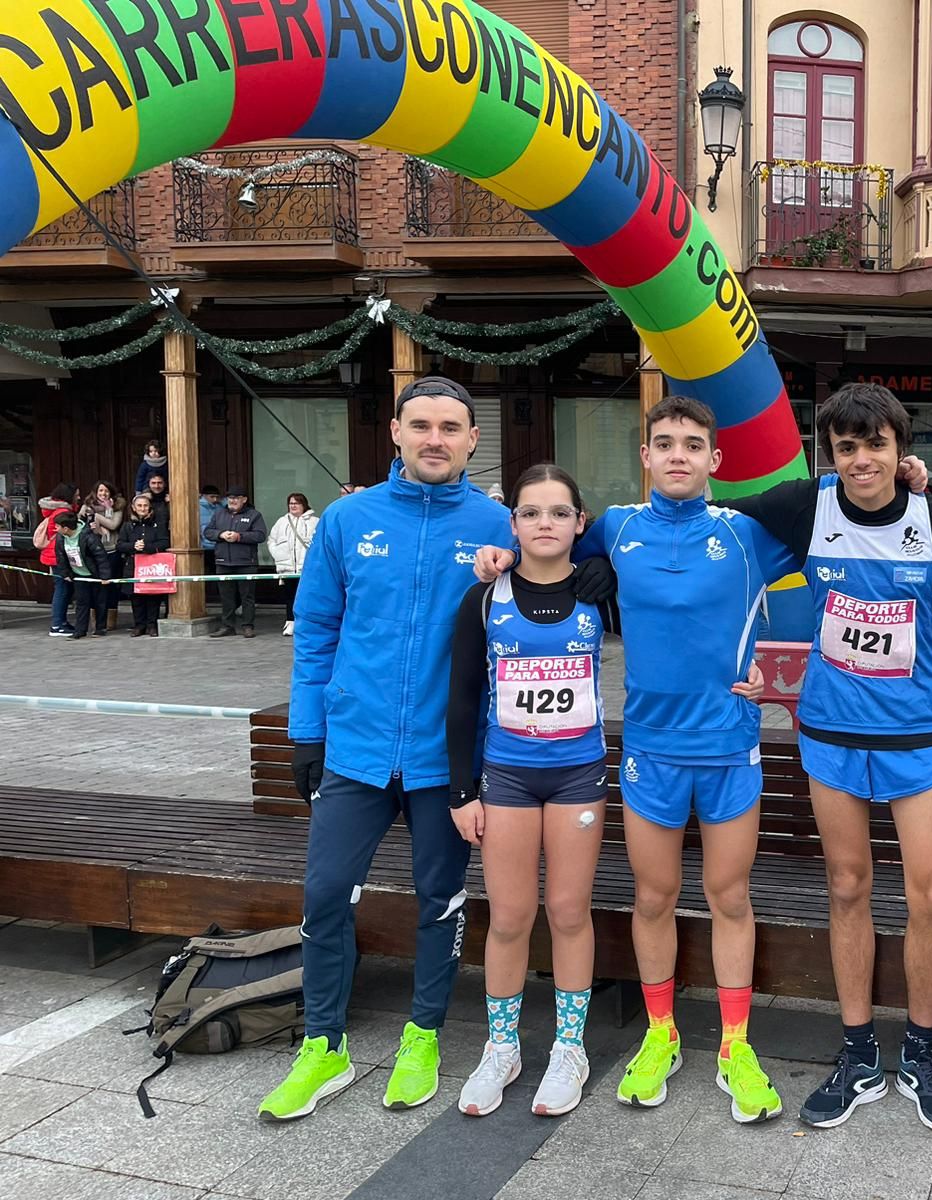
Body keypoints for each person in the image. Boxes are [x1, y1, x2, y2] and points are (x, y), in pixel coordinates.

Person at [475, 397, 831, 1124]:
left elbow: (845, 501)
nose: (677, 454)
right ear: (645, 457)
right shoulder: (615, 527)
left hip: (729, 747)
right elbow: (548, 545)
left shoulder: (746, 534)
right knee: (652, 897)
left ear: (713, 461)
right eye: (663, 442)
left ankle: (735, 1043)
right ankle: (661, 1032)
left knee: (730, 896)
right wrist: (501, 555)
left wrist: (914, 479)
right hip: (648, 751)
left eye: (692, 444)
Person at [260, 375, 547, 1122]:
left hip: (443, 762)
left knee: (439, 899)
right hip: (353, 752)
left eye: (451, 428)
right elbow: (317, 629)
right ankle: (325, 1045)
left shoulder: (496, 527)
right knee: (324, 897)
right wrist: (306, 732)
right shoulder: (350, 520)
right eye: (420, 425)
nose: (435, 440)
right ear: (395, 431)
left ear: (472, 439)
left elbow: (536, 620)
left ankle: (423, 1035)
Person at [717, 382, 932, 1134]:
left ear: (902, 451)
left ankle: (922, 1052)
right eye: (846, 447)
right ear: (827, 454)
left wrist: (926, 617)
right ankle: (860, 1051)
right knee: (847, 887)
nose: (862, 460)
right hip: (830, 731)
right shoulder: (807, 506)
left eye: (875, 445)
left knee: (929, 895)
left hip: (917, 733)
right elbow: (711, 525)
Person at [446, 464, 648, 1120]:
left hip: (576, 776)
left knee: (567, 911)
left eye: (559, 513)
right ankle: (501, 1048)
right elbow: (462, 698)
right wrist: (460, 790)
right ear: (513, 524)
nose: (544, 524)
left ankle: (569, 1047)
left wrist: (609, 570)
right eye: (531, 513)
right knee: (507, 915)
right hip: (505, 776)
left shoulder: (600, 592)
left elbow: (670, 615)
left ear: (579, 523)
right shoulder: (483, 596)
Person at [206, 487, 267, 638]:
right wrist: (220, 534)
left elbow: (260, 535)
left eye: (236, 498)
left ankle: (248, 626)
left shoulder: (254, 515)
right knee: (226, 596)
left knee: (247, 596)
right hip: (223, 562)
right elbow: (208, 532)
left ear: (244, 499)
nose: (232, 501)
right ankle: (227, 626)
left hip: (246, 562)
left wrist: (239, 536)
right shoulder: (219, 513)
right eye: (230, 498)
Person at [52, 511, 112, 639]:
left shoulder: (88, 536)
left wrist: (105, 576)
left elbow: (100, 557)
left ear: (66, 528)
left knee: (99, 602)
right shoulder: (60, 537)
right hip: (79, 574)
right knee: (81, 602)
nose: (55, 529)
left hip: (94, 574)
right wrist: (65, 573)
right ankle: (80, 630)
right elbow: (60, 557)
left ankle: (100, 628)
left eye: (57, 526)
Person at [118, 492, 170, 637]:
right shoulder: (127, 526)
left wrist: (148, 547)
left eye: (145, 505)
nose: (142, 508)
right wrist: (133, 546)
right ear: (133, 508)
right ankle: (139, 625)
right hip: (133, 565)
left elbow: (165, 542)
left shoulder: (157, 525)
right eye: (139, 505)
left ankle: (151, 625)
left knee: (153, 597)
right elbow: (120, 545)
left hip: (151, 566)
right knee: (136, 598)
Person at [267, 493, 318, 637]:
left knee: (308, 596)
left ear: (304, 505)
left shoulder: (315, 521)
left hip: (307, 568)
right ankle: (290, 622)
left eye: (296, 503)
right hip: (287, 568)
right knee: (290, 597)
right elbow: (272, 540)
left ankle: (307, 624)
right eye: (291, 503)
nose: (293, 506)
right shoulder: (281, 522)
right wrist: (279, 555)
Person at [35, 482, 78, 637]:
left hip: (52, 554)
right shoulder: (63, 511)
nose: (78, 497)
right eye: (76, 495)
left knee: (63, 588)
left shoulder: (53, 510)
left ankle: (61, 621)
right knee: (62, 589)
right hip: (58, 555)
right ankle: (57, 625)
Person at [84, 481, 126, 632]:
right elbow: (83, 524)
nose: (103, 494)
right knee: (95, 586)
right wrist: (96, 526)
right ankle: (96, 621)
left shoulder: (117, 507)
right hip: (94, 549)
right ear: (95, 492)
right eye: (100, 491)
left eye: (106, 491)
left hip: (111, 549)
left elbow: (114, 525)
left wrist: (97, 518)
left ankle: (110, 620)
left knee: (112, 586)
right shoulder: (87, 506)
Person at [198, 483, 223, 571]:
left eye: (216, 497)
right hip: (203, 547)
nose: (215, 499)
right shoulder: (196, 507)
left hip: (217, 545)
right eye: (212, 497)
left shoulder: (220, 507)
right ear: (204, 495)